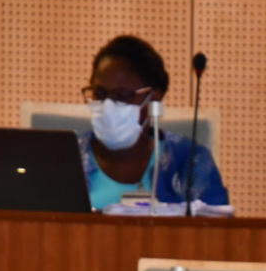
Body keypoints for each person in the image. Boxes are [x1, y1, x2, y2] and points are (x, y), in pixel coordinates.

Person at [79, 35, 228, 210]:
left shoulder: (189, 160)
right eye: (100, 94)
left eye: (123, 95)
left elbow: (216, 224)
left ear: (153, 98)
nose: (108, 105)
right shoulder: (67, 158)